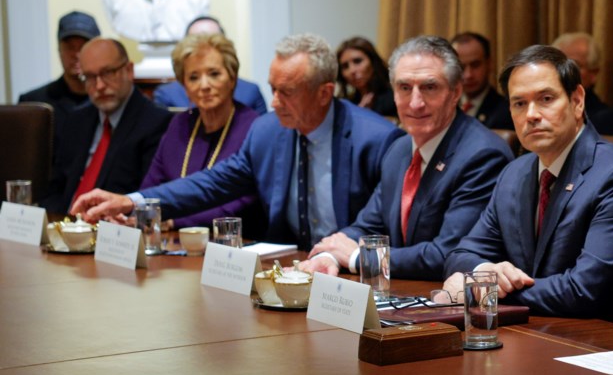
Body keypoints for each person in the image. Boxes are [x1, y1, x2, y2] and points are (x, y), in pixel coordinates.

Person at [71, 34, 405, 249]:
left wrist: (338, 254)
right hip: (288, 269)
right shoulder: (267, 131)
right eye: (272, 89)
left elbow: (384, 227)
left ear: (324, 94)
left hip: (351, 276)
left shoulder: (377, 140)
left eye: (286, 93)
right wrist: (130, 201)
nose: (273, 102)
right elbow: (211, 184)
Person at [442, 45, 613, 329]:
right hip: (544, 332)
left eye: (545, 99)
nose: (531, 114)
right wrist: (485, 271)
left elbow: (584, 291)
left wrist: (483, 289)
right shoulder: (514, 173)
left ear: (577, 100)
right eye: (519, 103)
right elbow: (459, 256)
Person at [301, 36, 514, 281]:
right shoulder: (399, 148)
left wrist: (358, 259)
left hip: (449, 303)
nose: (415, 103)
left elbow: (449, 254)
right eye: (404, 88)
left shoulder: (482, 155)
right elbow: (367, 225)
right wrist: (328, 256)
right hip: (400, 295)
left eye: (429, 87)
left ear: (455, 92)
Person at [140, 33, 263, 233]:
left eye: (214, 74)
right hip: (173, 244)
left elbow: (243, 201)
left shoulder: (254, 127)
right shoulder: (179, 124)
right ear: (184, 87)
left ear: (232, 79)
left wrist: (175, 223)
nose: (204, 85)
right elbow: (151, 186)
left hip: (235, 244)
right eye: (193, 77)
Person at [42, 38, 172, 214]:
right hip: (67, 228)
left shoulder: (156, 122)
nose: (100, 85)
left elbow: (147, 198)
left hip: (115, 231)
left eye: (108, 73)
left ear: (129, 70)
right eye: (89, 77)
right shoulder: (76, 120)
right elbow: (54, 190)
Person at [19, 11, 102, 159]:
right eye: (70, 47)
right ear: (59, 49)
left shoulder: (108, 101)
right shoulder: (33, 104)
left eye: (83, 46)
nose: (76, 54)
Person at [153, 16, 268, 115]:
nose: (204, 86)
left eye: (214, 74)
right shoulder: (168, 97)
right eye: (195, 41)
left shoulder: (250, 92)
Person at [451, 32, 511, 129]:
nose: (468, 75)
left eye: (475, 65)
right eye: (461, 67)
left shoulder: (506, 111)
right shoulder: (444, 107)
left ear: (489, 64)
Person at [335, 36, 397, 117]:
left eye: (357, 61)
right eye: (345, 66)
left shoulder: (394, 96)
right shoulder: (345, 104)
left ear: (373, 62)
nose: (352, 70)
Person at [552, 32, 607, 115]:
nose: (562, 71)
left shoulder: (603, 119)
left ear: (593, 74)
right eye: (557, 63)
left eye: (573, 65)